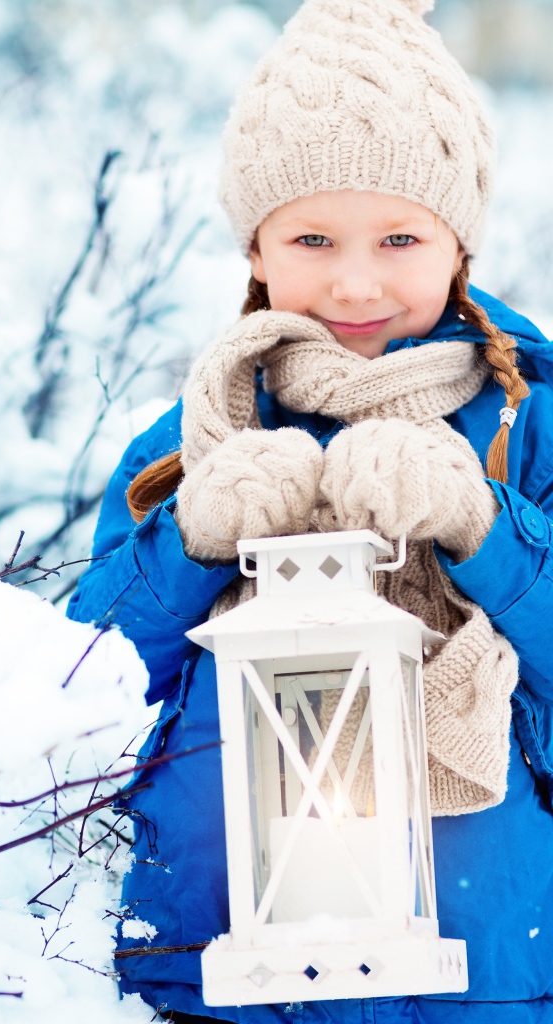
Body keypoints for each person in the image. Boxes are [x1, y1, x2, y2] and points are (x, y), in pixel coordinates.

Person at [66, 0, 553, 1021]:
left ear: (459, 244)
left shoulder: (529, 422)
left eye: (401, 235)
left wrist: (483, 527)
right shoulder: (187, 444)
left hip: (488, 974)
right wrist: (191, 540)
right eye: (313, 235)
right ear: (255, 246)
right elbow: (82, 696)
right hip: (221, 975)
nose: (356, 278)